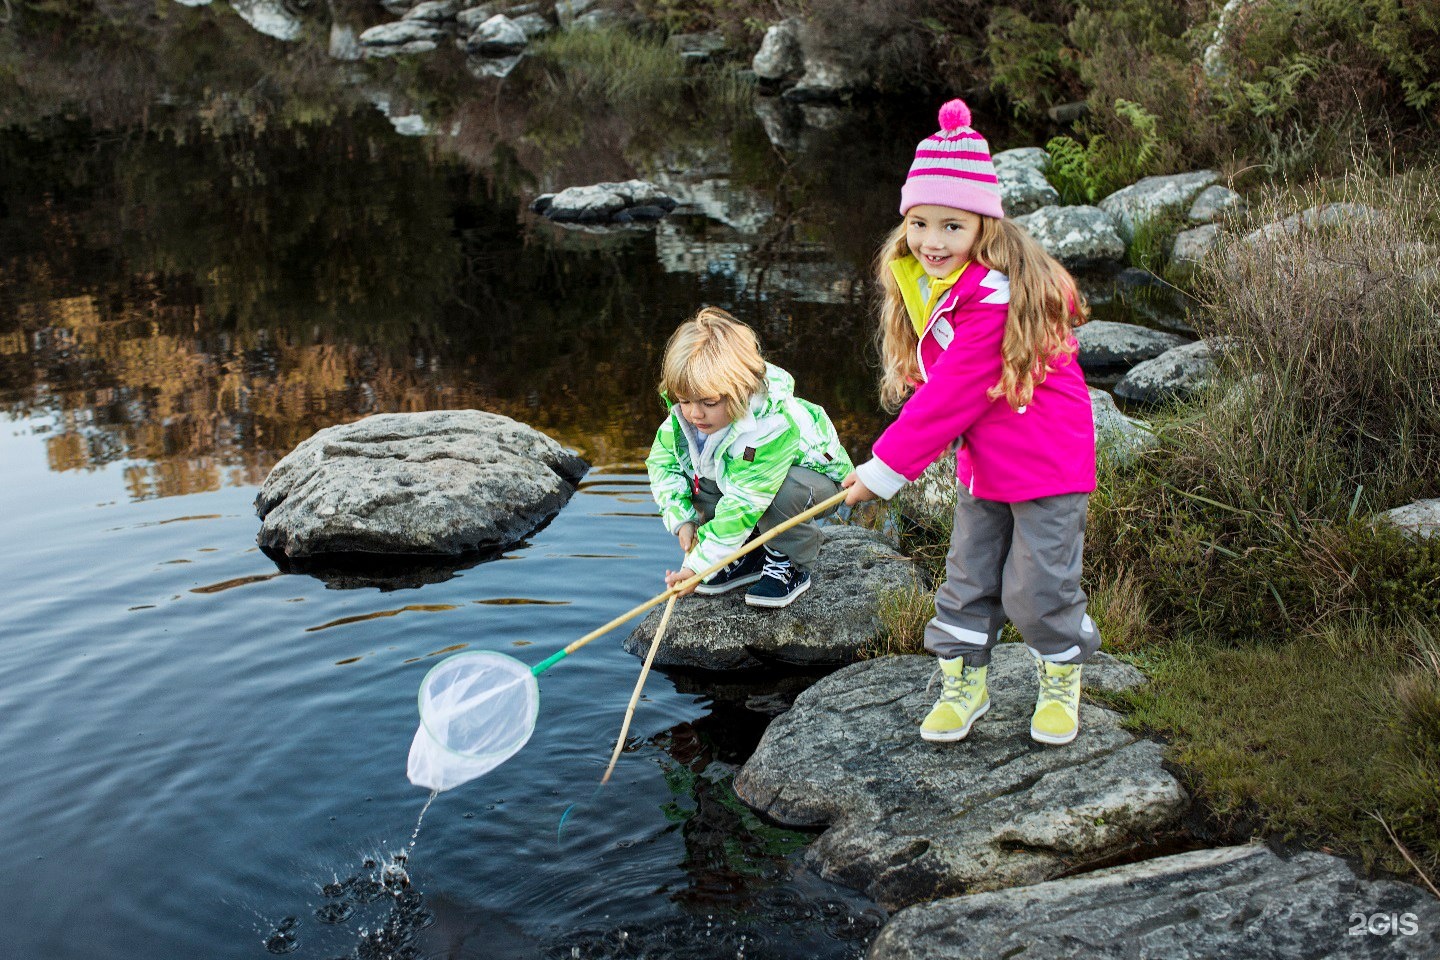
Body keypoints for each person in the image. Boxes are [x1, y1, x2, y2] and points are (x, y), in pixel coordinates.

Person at [842, 98, 1100, 746]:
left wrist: (881, 472)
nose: (932, 241)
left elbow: (952, 396)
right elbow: (938, 377)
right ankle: (966, 685)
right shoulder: (936, 282)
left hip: (1048, 466)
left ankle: (1061, 672)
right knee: (966, 581)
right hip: (985, 466)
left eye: (952, 226)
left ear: (984, 227)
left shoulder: (1000, 296)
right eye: (921, 222)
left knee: (1037, 591)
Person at [647, 306, 853, 608]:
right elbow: (662, 465)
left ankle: (790, 561)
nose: (694, 413)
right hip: (750, 485)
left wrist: (696, 566)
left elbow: (745, 501)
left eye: (708, 402)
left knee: (781, 492)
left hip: (816, 483)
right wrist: (682, 519)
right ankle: (747, 552)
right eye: (685, 400)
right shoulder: (686, 422)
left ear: (740, 389)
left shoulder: (771, 426)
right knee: (698, 475)